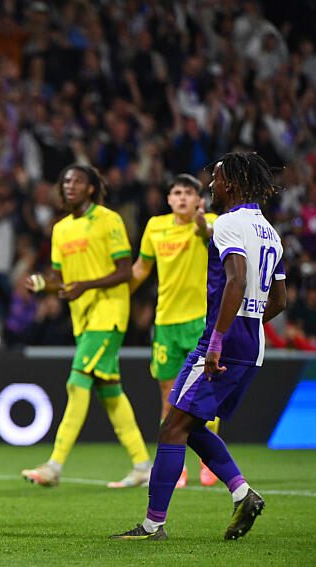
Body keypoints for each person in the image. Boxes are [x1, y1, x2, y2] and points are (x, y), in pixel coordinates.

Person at [112, 152, 286, 541]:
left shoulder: (227, 223)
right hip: (252, 344)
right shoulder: (270, 232)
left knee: (172, 427)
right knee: (187, 424)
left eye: (218, 178)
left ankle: (153, 525)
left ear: (234, 184)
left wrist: (220, 340)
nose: (211, 185)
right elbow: (280, 300)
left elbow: (236, 280)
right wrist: (248, 327)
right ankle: (242, 493)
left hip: (222, 341)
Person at [21, 164, 152, 488]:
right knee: (110, 392)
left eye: (77, 181)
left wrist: (85, 285)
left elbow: (125, 271)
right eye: (66, 181)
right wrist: (42, 284)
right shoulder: (61, 229)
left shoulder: (109, 220)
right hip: (83, 317)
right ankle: (142, 464)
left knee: (76, 382)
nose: (70, 186)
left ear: (91, 188)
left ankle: (54, 465)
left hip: (109, 312)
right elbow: (59, 278)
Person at [130, 174, 220, 488]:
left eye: (188, 193)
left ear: (199, 199)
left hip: (199, 322)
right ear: (168, 199)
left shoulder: (210, 221)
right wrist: (117, 295)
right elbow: (141, 268)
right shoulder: (155, 227)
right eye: (177, 192)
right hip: (165, 323)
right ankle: (175, 465)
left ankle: (209, 461)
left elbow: (207, 233)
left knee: (204, 394)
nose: (182, 197)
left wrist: (201, 225)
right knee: (168, 397)